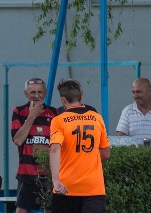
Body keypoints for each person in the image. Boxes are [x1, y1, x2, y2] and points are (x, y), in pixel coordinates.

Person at [49, 79, 110, 213]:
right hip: (93, 188)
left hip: (66, 187)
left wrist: (55, 180)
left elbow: (54, 149)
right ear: (81, 96)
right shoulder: (97, 118)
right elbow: (105, 153)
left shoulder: (58, 121)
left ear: (63, 100)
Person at [11, 77, 57, 213]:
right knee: (21, 210)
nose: (37, 96)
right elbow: (18, 140)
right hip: (27, 173)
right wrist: (32, 116)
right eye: (32, 93)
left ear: (45, 93)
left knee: (49, 209)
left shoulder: (54, 113)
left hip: (48, 173)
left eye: (40, 92)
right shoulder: (18, 112)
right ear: (26, 94)